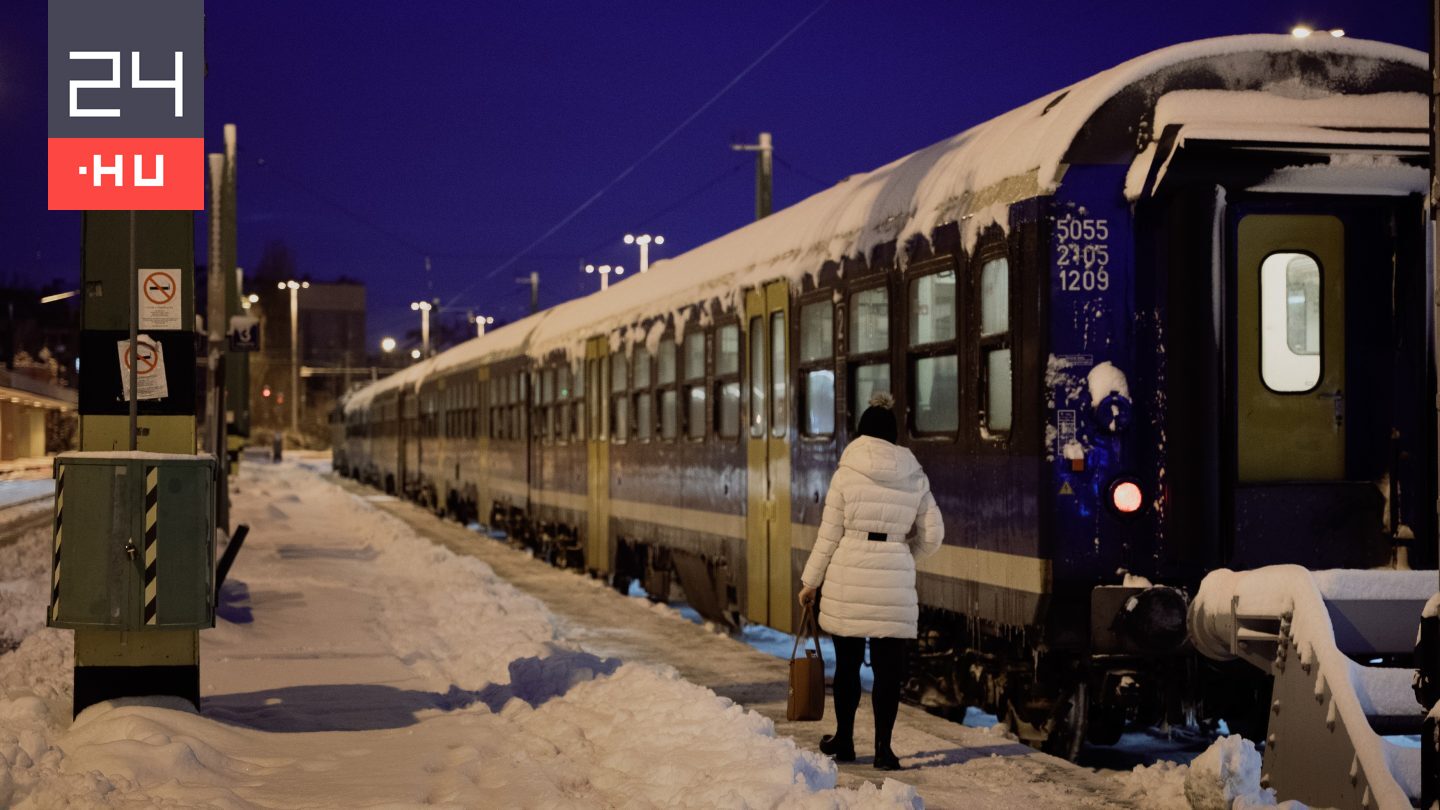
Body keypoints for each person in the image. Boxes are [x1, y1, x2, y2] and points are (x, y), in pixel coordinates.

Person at [797, 392, 943, 771]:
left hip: (849, 574)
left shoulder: (846, 473)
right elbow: (934, 534)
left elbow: (827, 537)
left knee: (846, 667)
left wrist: (810, 582)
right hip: (893, 576)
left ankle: (844, 740)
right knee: (888, 671)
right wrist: (904, 555)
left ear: (862, 434)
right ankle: (884, 750)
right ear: (893, 436)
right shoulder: (914, 475)